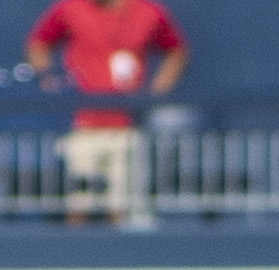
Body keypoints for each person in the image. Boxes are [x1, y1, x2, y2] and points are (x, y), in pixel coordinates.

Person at [26, 0, 183, 221]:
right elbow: (39, 42)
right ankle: (74, 254)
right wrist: (48, 79)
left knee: (120, 210)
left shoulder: (148, 12)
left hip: (127, 126)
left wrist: (155, 92)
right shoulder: (72, 8)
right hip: (83, 126)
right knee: (79, 207)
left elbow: (176, 50)